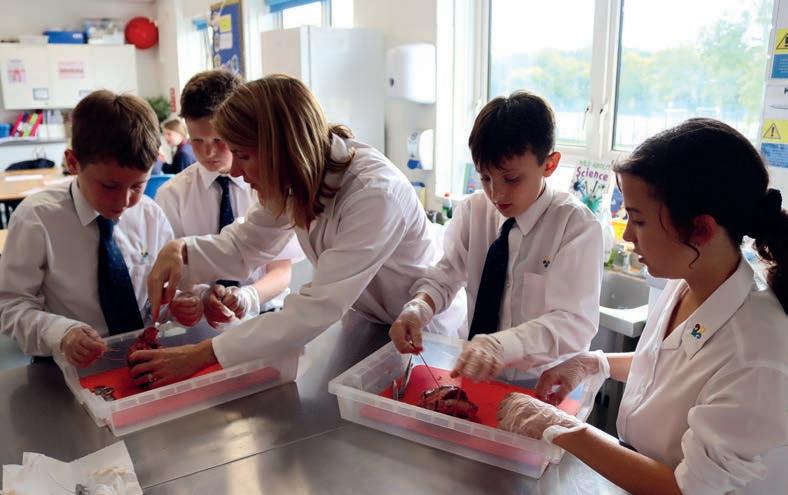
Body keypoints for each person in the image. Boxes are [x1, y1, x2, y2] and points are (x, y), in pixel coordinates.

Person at [496, 118, 788, 494]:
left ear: (700, 230)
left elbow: (685, 490)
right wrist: (593, 363)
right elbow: (671, 368)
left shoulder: (759, 355)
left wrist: (563, 428)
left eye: (638, 220)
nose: (629, 235)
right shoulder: (688, 280)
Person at [129, 74, 465, 386]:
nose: (236, 172)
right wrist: (182, 252)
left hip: (422, 330)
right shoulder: (293, 179)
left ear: (281, 149)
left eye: (243, 155)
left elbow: (317, 307)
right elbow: (245, 245)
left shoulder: (374, 194)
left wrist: (203, 354)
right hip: (367, 319)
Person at [389, 91, 602, 382]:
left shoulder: (575, 226)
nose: (497, 193)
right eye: (485, 178)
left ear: (549, 165)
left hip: (542, 384)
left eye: (512, 179)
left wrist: (503, 345)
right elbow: (446, 275)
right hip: (474, 373)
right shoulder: (474, 211)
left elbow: (574, 323)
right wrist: (419, 307)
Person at [0, 90, 202, 368]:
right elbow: (11, 305)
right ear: (73, 163)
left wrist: (179, 303)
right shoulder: (37, 219)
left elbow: (161, 292)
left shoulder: (150, 215)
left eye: (137, 186)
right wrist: (60, 333)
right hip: (68, 365)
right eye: (109, 186)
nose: (123, 201)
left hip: (144, 356)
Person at [155, 70, 299, 325]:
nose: (208, 152)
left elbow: (280, 268)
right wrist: (200, 296)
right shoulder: (173, 194)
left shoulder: (268, 185)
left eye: (219, 140)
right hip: (203, 322)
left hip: (265, 313)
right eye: (197, 141)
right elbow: (173, 272)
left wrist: (249, 296)